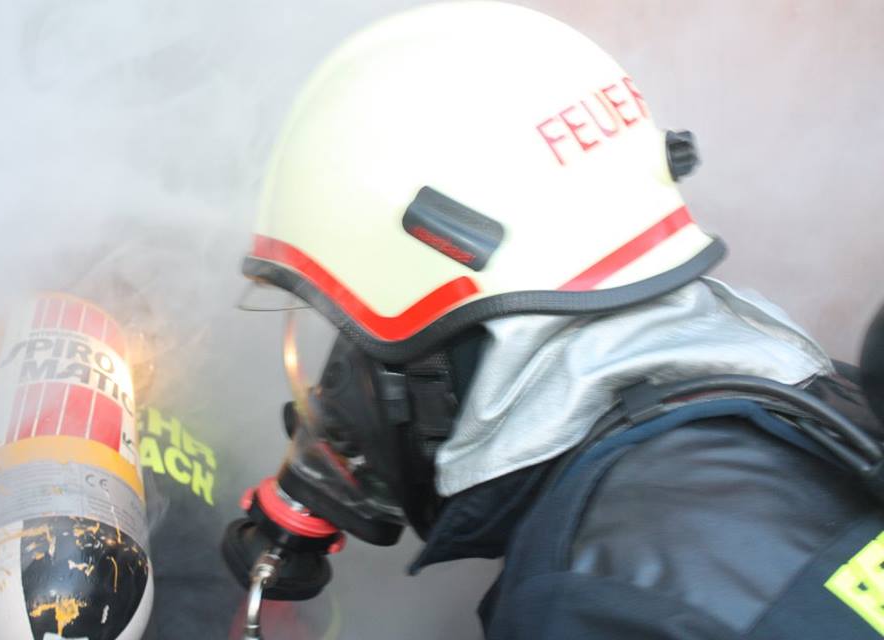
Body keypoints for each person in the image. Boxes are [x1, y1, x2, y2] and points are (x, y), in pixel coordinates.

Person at [227, 2, 884, 638]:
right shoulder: (821, 407)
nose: (337, 390)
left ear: (437, 352)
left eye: (359, 336)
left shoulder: (599, 593)